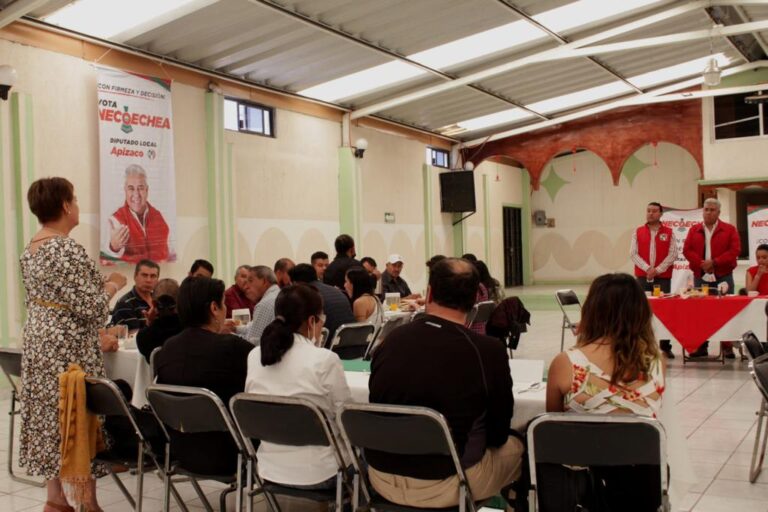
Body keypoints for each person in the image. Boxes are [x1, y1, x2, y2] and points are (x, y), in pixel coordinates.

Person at [367, 258, 522, 508]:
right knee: (524, 448)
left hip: (380, 475)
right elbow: (498, 431)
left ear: (429, 293)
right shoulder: (488, 350)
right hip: (447, 481)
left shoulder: (390, 341)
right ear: (474, 299)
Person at [20, 177, 128, 512]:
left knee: (51, 419)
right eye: (76, 200)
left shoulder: (32, 248)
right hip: (67, 347)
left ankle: (55, 499)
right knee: (79, 415)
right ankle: (88, 503)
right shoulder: (65, 248)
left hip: (39, 340)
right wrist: (114, 285)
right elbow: (94, 308)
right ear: (65, 206)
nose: (78, 206)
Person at [545, 273, 665, 511]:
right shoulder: (655, 362)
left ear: (591, 310)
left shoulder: (567, 363)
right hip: (642, 479)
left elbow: (555, 424)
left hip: (583, 480)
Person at [245, 284, 352, 489]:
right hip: (322, 472)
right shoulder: (324, 359)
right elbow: (345, 417)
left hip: (269, 468)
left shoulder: (254, 356)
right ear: (312, 321)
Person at [154, 276, 254, 476]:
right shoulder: (232, 348)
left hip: (180, 451)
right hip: (232, 453)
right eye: (224, 304)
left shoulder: (166, 349)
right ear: (214, 308)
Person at [683, 198, 741, 357]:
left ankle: (727, 346)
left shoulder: (729, 229)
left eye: (712, 210)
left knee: (726, 312)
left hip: (723, 276)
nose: (708, 212)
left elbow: (734, 250)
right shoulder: (693, 230)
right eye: (706, 209)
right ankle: (701, 346)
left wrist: (714, 262)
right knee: (701, 313)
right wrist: (702, 264)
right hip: (700, 276)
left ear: (718, 212)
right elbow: (687, 250)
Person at [630, 201, 677, 359]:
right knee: (640, 311)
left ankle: (665, 346)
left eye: (654, 211)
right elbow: (633, 254)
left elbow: (673, 254)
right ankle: (640, 345)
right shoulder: (638, 231)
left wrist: (657, 270)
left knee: (665, 312)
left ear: (661, 214)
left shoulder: (669, 232)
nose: (650, 213)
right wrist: (647, 269)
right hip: (642, 277)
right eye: (648, 210)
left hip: (662, 278)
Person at [104, 164, 170, 263]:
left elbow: (167, 253)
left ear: (147, 190)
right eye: (131, 188)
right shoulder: (115, 220)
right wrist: (113, 247)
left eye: (140, 188)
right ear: (125, 190)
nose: (136, 194)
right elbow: (107, 257)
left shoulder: (158, 216)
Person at [290, 264, 355, 342]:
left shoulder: (307, 295)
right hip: (350, 342)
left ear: (295, 283)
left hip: (328, 344)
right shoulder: (336, 291)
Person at [136, 278, 182, 363]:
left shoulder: (144, 337)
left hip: (161, 376)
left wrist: (149, 323)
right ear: (180, 302)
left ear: (153, 304)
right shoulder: (190, 329)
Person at [110, 259, 160, 331]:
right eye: (144, 275)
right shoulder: (125, 303)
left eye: (153, 276)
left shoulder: (159, 300)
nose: (148, 280)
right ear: (135, 277)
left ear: (157, 280)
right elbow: (133, 339)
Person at [245, 266, 280, 345]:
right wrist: (235, 329)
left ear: (264, 281)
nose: (246, 286)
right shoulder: (278, 293)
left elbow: (252, 342)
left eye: (250, 281)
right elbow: (253, 327)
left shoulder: (265, 303)